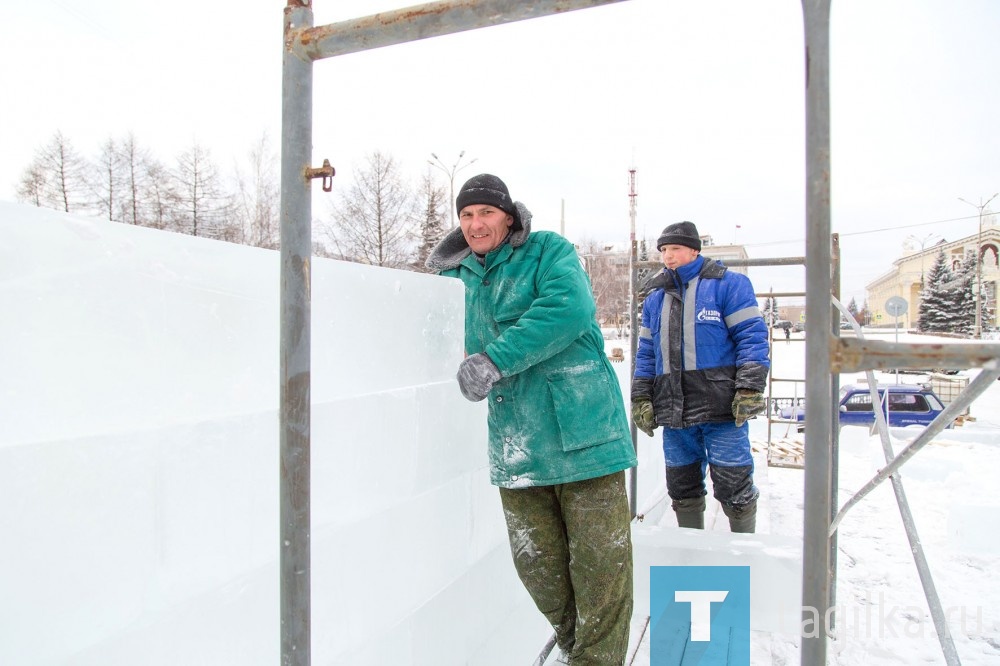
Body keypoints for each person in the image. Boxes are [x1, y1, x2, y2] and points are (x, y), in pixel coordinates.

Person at [427, 174, 638, 665]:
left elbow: (568, 308)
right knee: (537, 568)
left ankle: (595, 659)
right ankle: (576, 647)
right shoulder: (451, 278)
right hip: (516, 442)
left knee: (601, 569)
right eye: (466, 214)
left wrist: (494, 359)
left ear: (508, 216)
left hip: (583, 433)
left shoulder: (547, 251)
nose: (475, 223)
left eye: (485, 212)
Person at [630, 221, 770, 533]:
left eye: (675, 248)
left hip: (720, 409)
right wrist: (641, 396)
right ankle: (691, 550)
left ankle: (743, 552)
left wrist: (749, 387)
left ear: (695, 249)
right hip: (674, 410)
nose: (668, 256)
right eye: (664, 250)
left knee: (734, 485)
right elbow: (647, 353)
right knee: (682, 486)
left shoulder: (728, 285)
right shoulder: (655, 298)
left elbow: (752, 338)